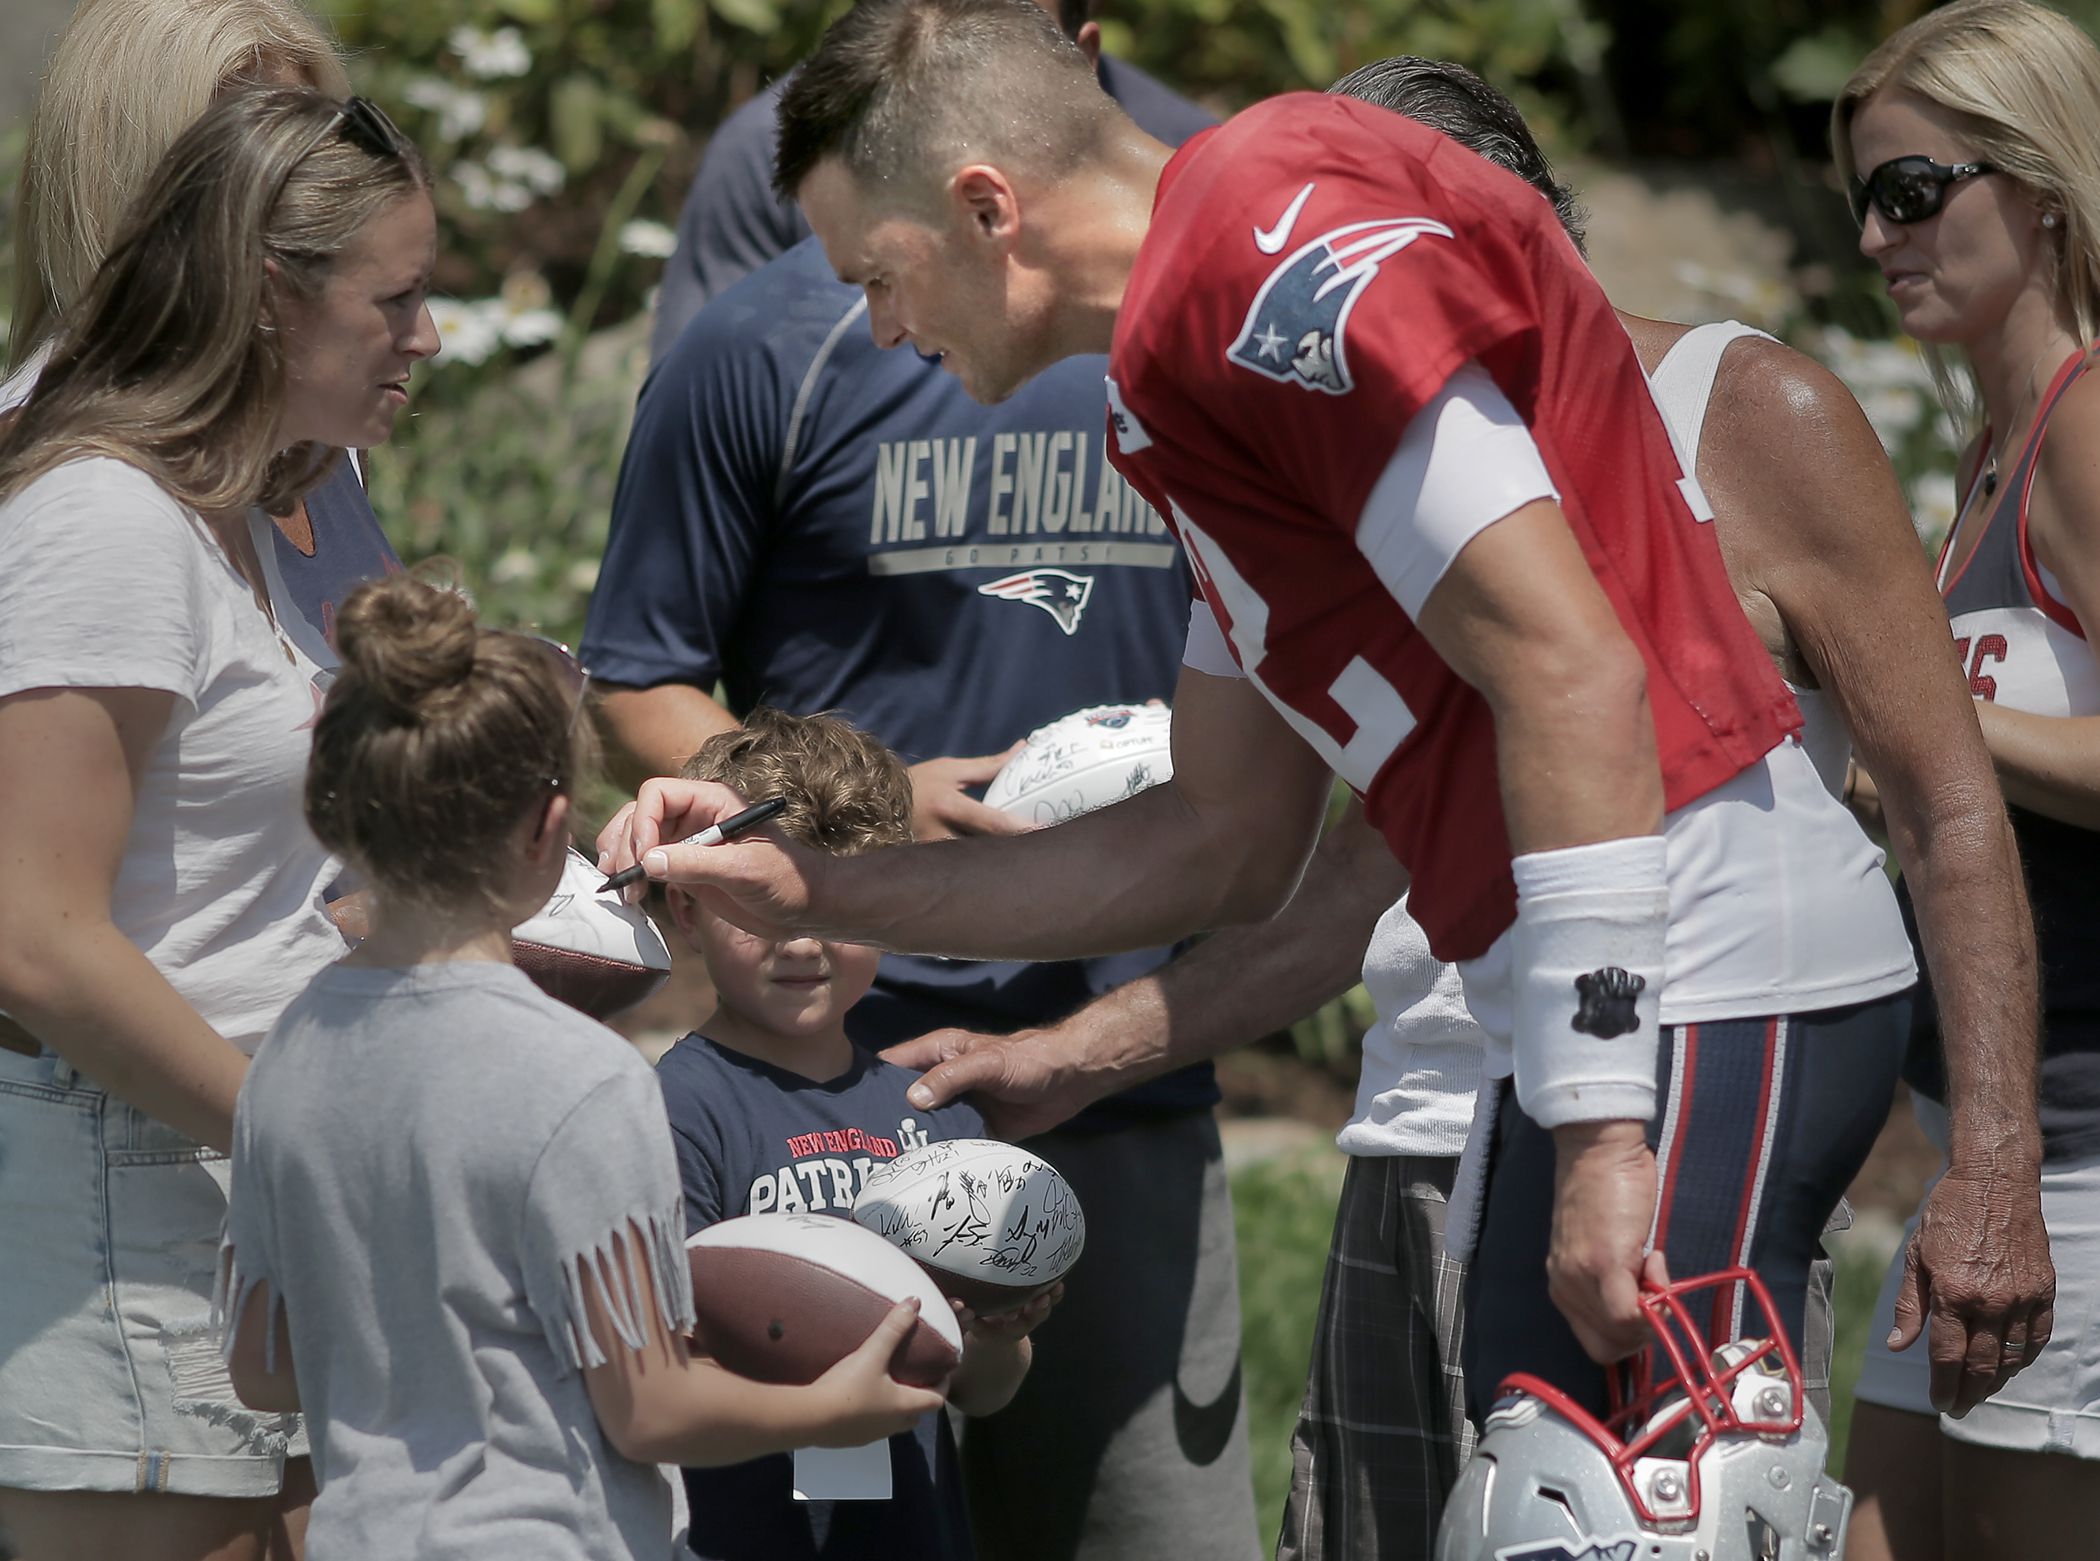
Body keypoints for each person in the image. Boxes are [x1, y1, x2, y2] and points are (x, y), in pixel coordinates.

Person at [603, 0, 1917, 1431]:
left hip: (1703, 948)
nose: (878, 324)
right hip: (1621, 978)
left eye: (878, 272)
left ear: (987, 209)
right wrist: (816, 880)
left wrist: (1603, 1124)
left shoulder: (1259, 243)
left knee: (1618, 1502)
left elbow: (1569, 664)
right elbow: (1217, 845)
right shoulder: (1174, 369)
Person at [881, 54, 2051, 1556]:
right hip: (1435, 1121)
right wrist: (1080, 1048)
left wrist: (1994, 1165)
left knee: (1642, 1517)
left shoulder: (1746, 405)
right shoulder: (1322, 449)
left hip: (1677, 1081)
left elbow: (1948, 809)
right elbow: (1327, 860)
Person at [583, 21, 1256, 1561]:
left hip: (1121, 1043)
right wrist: (866, 810)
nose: (881, 315)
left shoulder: (1206, 323)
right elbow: (634, 669)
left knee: (1152, 1532)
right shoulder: (769, 342)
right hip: (830, 1060)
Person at [219, 577, 944, 1558]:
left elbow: (263, 1366)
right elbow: (649, 1410)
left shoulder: (286, 1055)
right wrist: (830, 1408)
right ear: (547, 826)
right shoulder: (585, 1075)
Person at [0, 88, 436, 1561]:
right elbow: (35, 938)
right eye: (399, 301)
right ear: (267, 297)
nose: (427, 341)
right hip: (138, 1199)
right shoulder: (104, 522)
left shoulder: (246, 507)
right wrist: (306, 1151)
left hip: (241, 1189)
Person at [1835, 2, 2100, 1552]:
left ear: (2044, 186)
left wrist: (1920, 719)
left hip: (2076, 1153)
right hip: (1987, 1150)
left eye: (1913, 193)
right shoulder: (1990, 451)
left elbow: (1958, 745)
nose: (1878, 237)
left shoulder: (2081, 427)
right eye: (1864, 201)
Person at [653, 708, 1056, 1560]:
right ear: (686, 912)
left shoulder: (936, 1113)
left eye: (831, 901)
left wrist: (1000, 1325)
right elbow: (657, 1379)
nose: (799, 939)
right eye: (759, 905)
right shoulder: (674, 1110)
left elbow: (982, 1394)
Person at [5, 0, 402, 673]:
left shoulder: (314, 427)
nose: (305, 202)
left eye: (316, 152)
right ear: (130, 189)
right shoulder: (64, 480)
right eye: (246, 170)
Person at [646, 0, 1211, 358]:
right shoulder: (767, 156)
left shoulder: (1193, 172)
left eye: (999, 33)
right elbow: (702, 422)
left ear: (1079, 56)